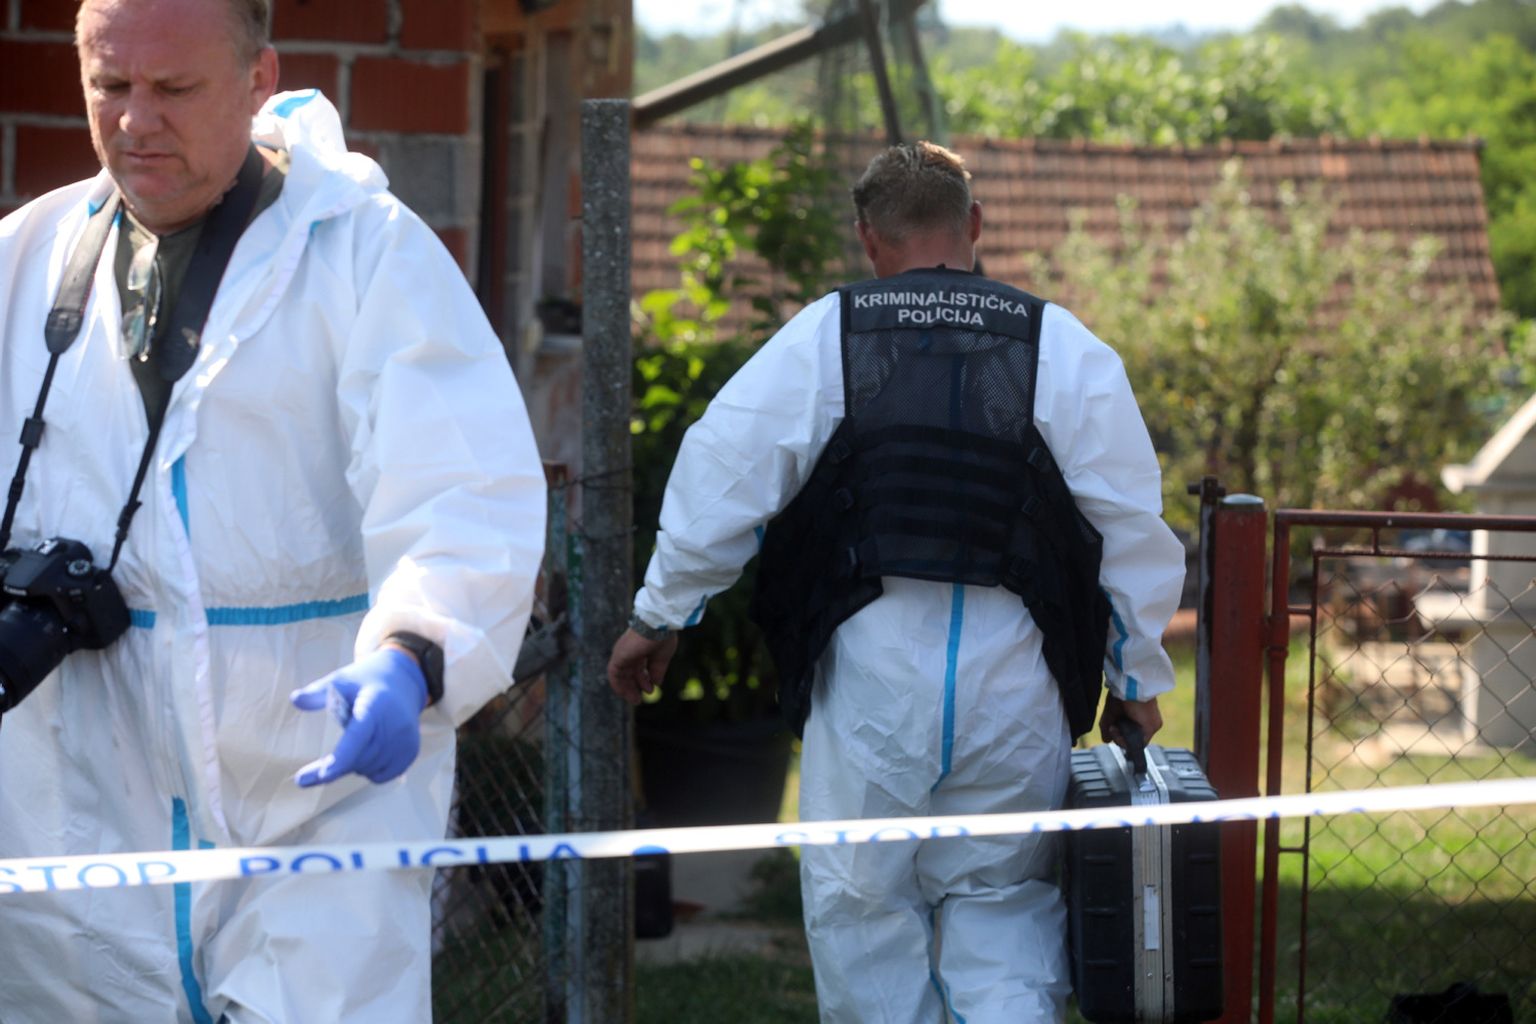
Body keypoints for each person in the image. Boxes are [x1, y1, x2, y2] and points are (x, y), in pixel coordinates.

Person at [0, 0, 545, 1020]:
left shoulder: (365, 254)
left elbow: (463, 487)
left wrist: (414, 653)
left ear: (259, 79)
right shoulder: (25, 260)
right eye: (109, 86)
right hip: (76, 799)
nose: (135, 121)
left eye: (174, 88)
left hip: (317, 786)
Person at [607, 141, 1184, 1022]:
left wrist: (660, 614)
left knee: (862, 910)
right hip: (1017, 681)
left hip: (868, 682)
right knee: (1003, 901)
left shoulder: (826, 336)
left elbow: (724, 476)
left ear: (868, 238)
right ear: (974, 225)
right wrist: (1135, 680)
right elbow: (1131, 526)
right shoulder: (1059, 344)